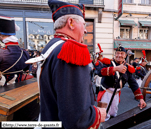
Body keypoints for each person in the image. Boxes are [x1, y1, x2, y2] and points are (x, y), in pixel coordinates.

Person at [26, 0, 106, 128]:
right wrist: (98, 114)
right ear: (71, 23)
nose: (85, 31)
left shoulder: (51, 46)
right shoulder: (70, 50)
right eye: (84, 25)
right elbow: (76, 118)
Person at [95, 46, 146, 121]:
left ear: (125, 55)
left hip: (116, 94)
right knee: (103, 115)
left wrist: (141, 99)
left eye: (122, 53)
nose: (119, 55)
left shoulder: (127, 67)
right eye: (117, 53)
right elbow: (99, 72)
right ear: (115, 54)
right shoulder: (109, 63)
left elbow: (133, 83)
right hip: (106, 94)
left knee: (113, 114)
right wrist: (115, 69)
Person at [0, 14, 30, 86]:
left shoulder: (2, 53)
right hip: (18, 89)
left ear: (1, 36)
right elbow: (26, 69)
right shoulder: (24, 53)